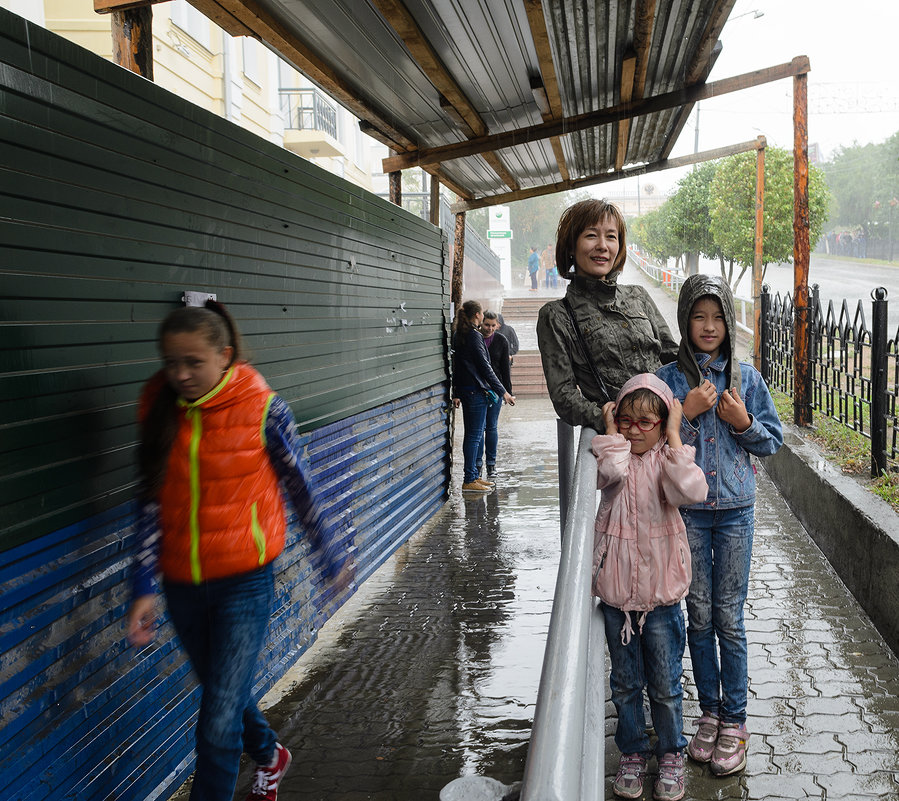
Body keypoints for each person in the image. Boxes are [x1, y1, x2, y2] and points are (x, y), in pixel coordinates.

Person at [127, 301, 352, 801]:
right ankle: (271, 755)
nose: (180, 374)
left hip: (244, 583)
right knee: (222, 694)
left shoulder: (263, 407)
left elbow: (301, 487)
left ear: (224, 356)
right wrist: (142, 586)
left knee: (216, 723)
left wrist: (329, 557)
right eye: (171, 363)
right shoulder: (156, 405)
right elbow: (148, 498)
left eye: (193, 362)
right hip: (181, 582)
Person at [656, 274, 783, 778]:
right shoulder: (668, 380)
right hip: (686, 514)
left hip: (735, 513)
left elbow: (771, 442)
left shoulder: (747, 379)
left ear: (729, 322)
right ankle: (708, 712)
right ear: (685, 320)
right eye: (698, 316)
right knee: (699, 616)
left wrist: (743, 422)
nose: (708, 326)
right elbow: (657, 451)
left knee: (729, 618)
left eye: (717, 317)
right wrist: (685, 415)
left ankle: (735, 720)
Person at [593, 374, 707, 801]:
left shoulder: (666, 461)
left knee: (664, 684)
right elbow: (609, 471)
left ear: (661, 425)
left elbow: (692, 489)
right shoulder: (615, 456)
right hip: (617, 600)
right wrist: (610, 435)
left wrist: (676, 432)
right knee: (624, 685)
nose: (635, 431)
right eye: (626, 421)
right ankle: (633, 752)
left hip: (660, 599)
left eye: (647, 423)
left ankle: (671, 752)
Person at [536, 199, 678, 433]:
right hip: (623, 442)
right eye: (591, 235)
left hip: (669, 432)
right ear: (571, 246)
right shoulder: (556, 316)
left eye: (611, 237)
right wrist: (612, 419)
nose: (603, 246)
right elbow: (564, 395)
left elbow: (672, 357)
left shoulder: (638, 296)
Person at [451, 300, 514, 493]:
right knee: (474, 436)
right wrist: (503, 391)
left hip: (467, 390)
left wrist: (456, 391)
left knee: (474, 436)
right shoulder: (473, 336)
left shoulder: (459, 335)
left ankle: (474, 476)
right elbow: (484, 367)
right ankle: (470, 478)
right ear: (478, 315)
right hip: (475, 391)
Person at [477, 311, 515, 479]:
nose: (490, 329)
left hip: (496, 390)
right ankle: (477, 465)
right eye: (487, 325)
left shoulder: (501, 341)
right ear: (481, 323)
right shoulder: (474, 339)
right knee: (477, 429)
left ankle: (491, 465)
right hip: (477, 389)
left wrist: (508, 392)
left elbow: (505, 369)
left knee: (491, 427)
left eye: (493, 326)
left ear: (498, 325)